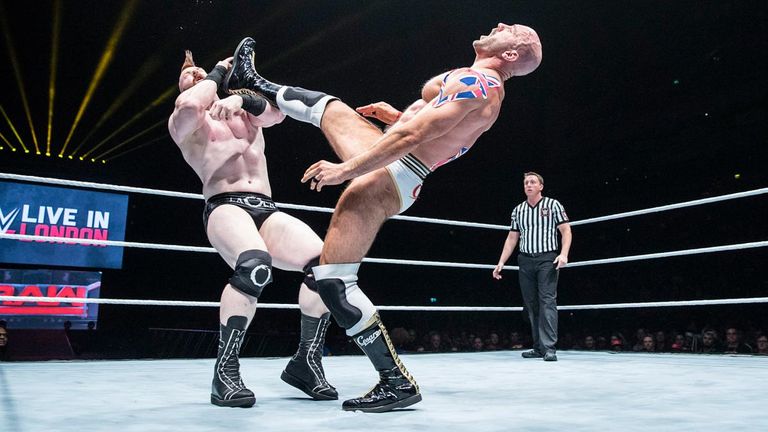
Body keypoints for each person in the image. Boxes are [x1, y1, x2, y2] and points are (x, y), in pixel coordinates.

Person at [222, 23, 542, 412]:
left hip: (389, 174)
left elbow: (413, 139)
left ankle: (394, 381)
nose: (499, 25)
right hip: (397, 170)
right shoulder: (481, 84)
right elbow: (434, 133)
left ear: (511, 55)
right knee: (330, 108)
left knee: (334, 281)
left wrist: (346, 171)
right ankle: (252, 80)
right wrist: (394, 117)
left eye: (511, 30)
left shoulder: (480, 85)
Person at [168, 50, 338, 407]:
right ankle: (225, 372)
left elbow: (277, 114)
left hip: (266, 208)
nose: (197, 76)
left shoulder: (244, 113)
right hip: (224, 206)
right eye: (190, 75)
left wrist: (241, 95)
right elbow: (187, 105)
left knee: (327, 268)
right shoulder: (186, 123)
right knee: (254, 265)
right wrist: (215, 72)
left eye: (201, 72)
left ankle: (306, 363)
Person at [492, 172, 571, 362]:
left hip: (547, 258)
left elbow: (566, 230)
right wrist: (501, 262)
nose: (529, 185)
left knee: (547, 301)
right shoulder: (518, 210)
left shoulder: (553, 205)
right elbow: (512, 237)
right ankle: (538, 347)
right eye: (526, 182)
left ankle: (549, 348)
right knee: (530, 305)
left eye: (533, 182)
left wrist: (564, 254)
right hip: (525, 260)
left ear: (540, 186)